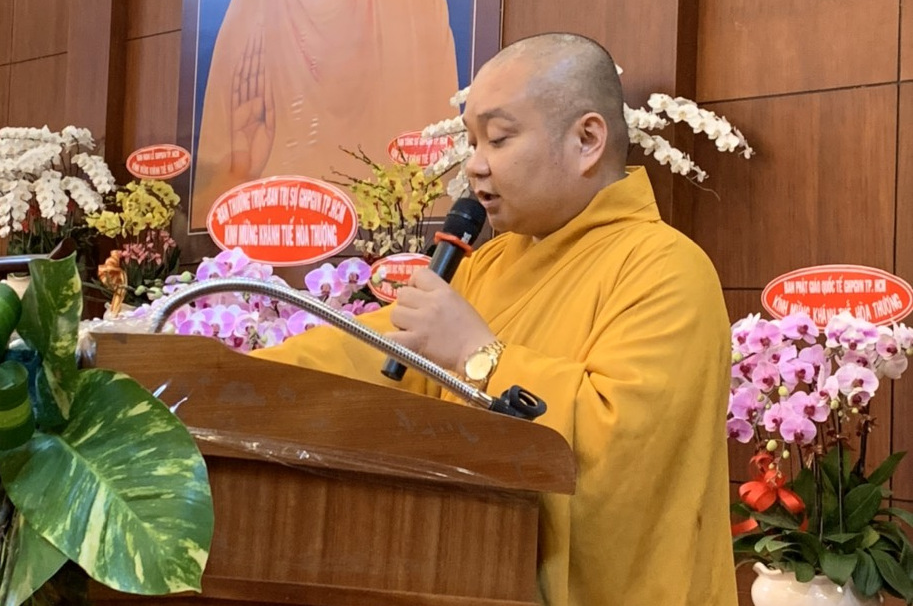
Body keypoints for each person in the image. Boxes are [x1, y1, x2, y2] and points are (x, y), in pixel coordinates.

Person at [252, 33, 737, 606]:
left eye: (499, 139)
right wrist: (226, 377)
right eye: (472, 141)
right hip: (472, 573)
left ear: (587, 140)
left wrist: (477, 355)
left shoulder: (666, 268)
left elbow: (624, 451)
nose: (475, 166)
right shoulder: (488, 265)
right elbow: (365, 352)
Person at [191, 0, 460, 227]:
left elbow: (445, 179)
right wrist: (240, 175)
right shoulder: (251, 5)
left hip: (398, 240)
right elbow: (209, 212)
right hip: (281, 234)